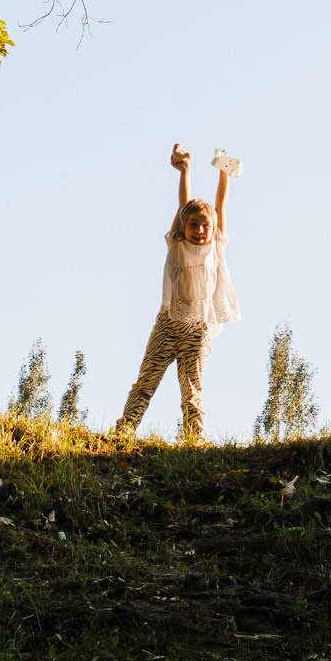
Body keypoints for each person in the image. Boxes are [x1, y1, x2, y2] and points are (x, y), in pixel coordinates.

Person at [116, 143, 241, 442]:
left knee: (192, 385)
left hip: (198, 328)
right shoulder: (177, 244)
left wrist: (224, 174)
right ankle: (125, 429)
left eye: (204, 226)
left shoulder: (216, 247)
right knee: (147, 379)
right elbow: (184, 204)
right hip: (169, 323)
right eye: (193, 225)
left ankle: (193, 437)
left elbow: (219, 207)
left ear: (213, 230)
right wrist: (184, 171)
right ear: (184, 227)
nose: (199, 230)